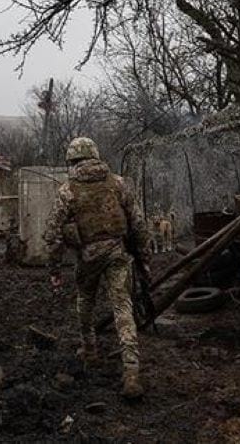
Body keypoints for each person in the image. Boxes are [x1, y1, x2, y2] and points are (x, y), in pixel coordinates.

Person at [45, 136, 151, 399]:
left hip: (88, 257)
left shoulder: (67, 190)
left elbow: (53, 234)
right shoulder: (118, 183)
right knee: (122, 307)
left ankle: (89, 351)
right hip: (117, 253)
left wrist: (55, 270)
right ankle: (131, 370)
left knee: (85, 302)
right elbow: (137, 223)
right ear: (95, 155)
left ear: (72, 161)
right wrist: (145, 258)